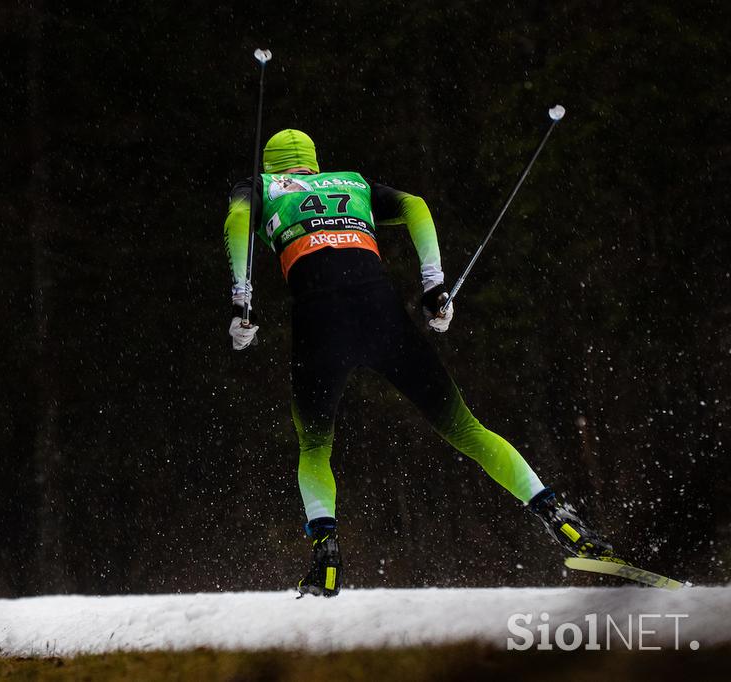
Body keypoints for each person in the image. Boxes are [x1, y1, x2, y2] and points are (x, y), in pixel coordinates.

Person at [223, 129, 615, 597]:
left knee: (314, 446)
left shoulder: (260, 187)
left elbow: (237, 223)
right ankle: (555, 512)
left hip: (319, 319)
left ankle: (325, 551)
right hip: (382, 311)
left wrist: (241, 300)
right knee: (466, 429)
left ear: (271, 166)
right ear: (314, 163)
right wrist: (434, 287)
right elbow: (417, 206)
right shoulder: (354, 183)